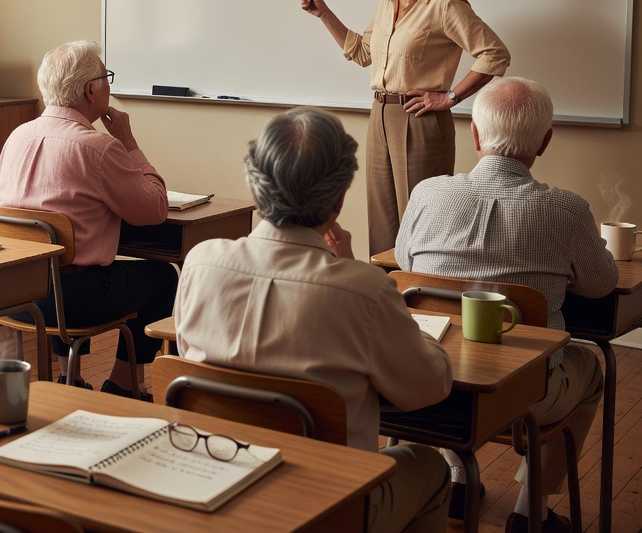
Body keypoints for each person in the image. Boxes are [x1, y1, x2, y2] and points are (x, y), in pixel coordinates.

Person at [176, 106, 453, 533]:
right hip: (326, 506)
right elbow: (428, 388)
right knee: (431, 469)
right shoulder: (365, 290)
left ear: (255, 182)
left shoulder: (199, 263)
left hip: (211, 491)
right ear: (340, 197)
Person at [397, 77, 616, 533]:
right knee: (592, 367)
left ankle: (458, 479)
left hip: (436, 383)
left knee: (460, 346)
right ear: (545, 142)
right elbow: (600, 286)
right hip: (526, 394)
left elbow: (404, 262)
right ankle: (529, 510)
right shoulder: (566, 210)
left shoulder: (428, 194)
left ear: (475, 136)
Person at [298, 0, 510, 255]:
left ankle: (421, 302)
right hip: (379, 115)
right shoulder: (387, 1)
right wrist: (324, 13)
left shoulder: (445, 3)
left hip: (420, 120)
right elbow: (362, 52)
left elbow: (495, 54)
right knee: (382, 224)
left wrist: (450, 97)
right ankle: (383, 301)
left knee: (422, 224)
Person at [0, 40, 177, 400]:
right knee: (163, 277)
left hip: (12, 291)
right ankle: (123, 385)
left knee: (67, 261)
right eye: (106, 77)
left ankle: (70, 377)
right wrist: (128, 140)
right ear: (91, 90)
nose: (109, 84)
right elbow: (155, 208)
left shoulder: (17, 135)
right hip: (68, 300)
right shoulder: (98, 147)